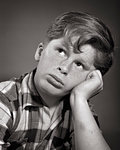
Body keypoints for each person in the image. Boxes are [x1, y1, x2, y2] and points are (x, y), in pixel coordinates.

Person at [0, 11, 114, 150]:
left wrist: (79, 98)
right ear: (40, 52)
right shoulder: (5, 100)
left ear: (89, 78)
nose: (64, 68)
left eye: (79, 64)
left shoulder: (80, 110)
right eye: (61, 51)